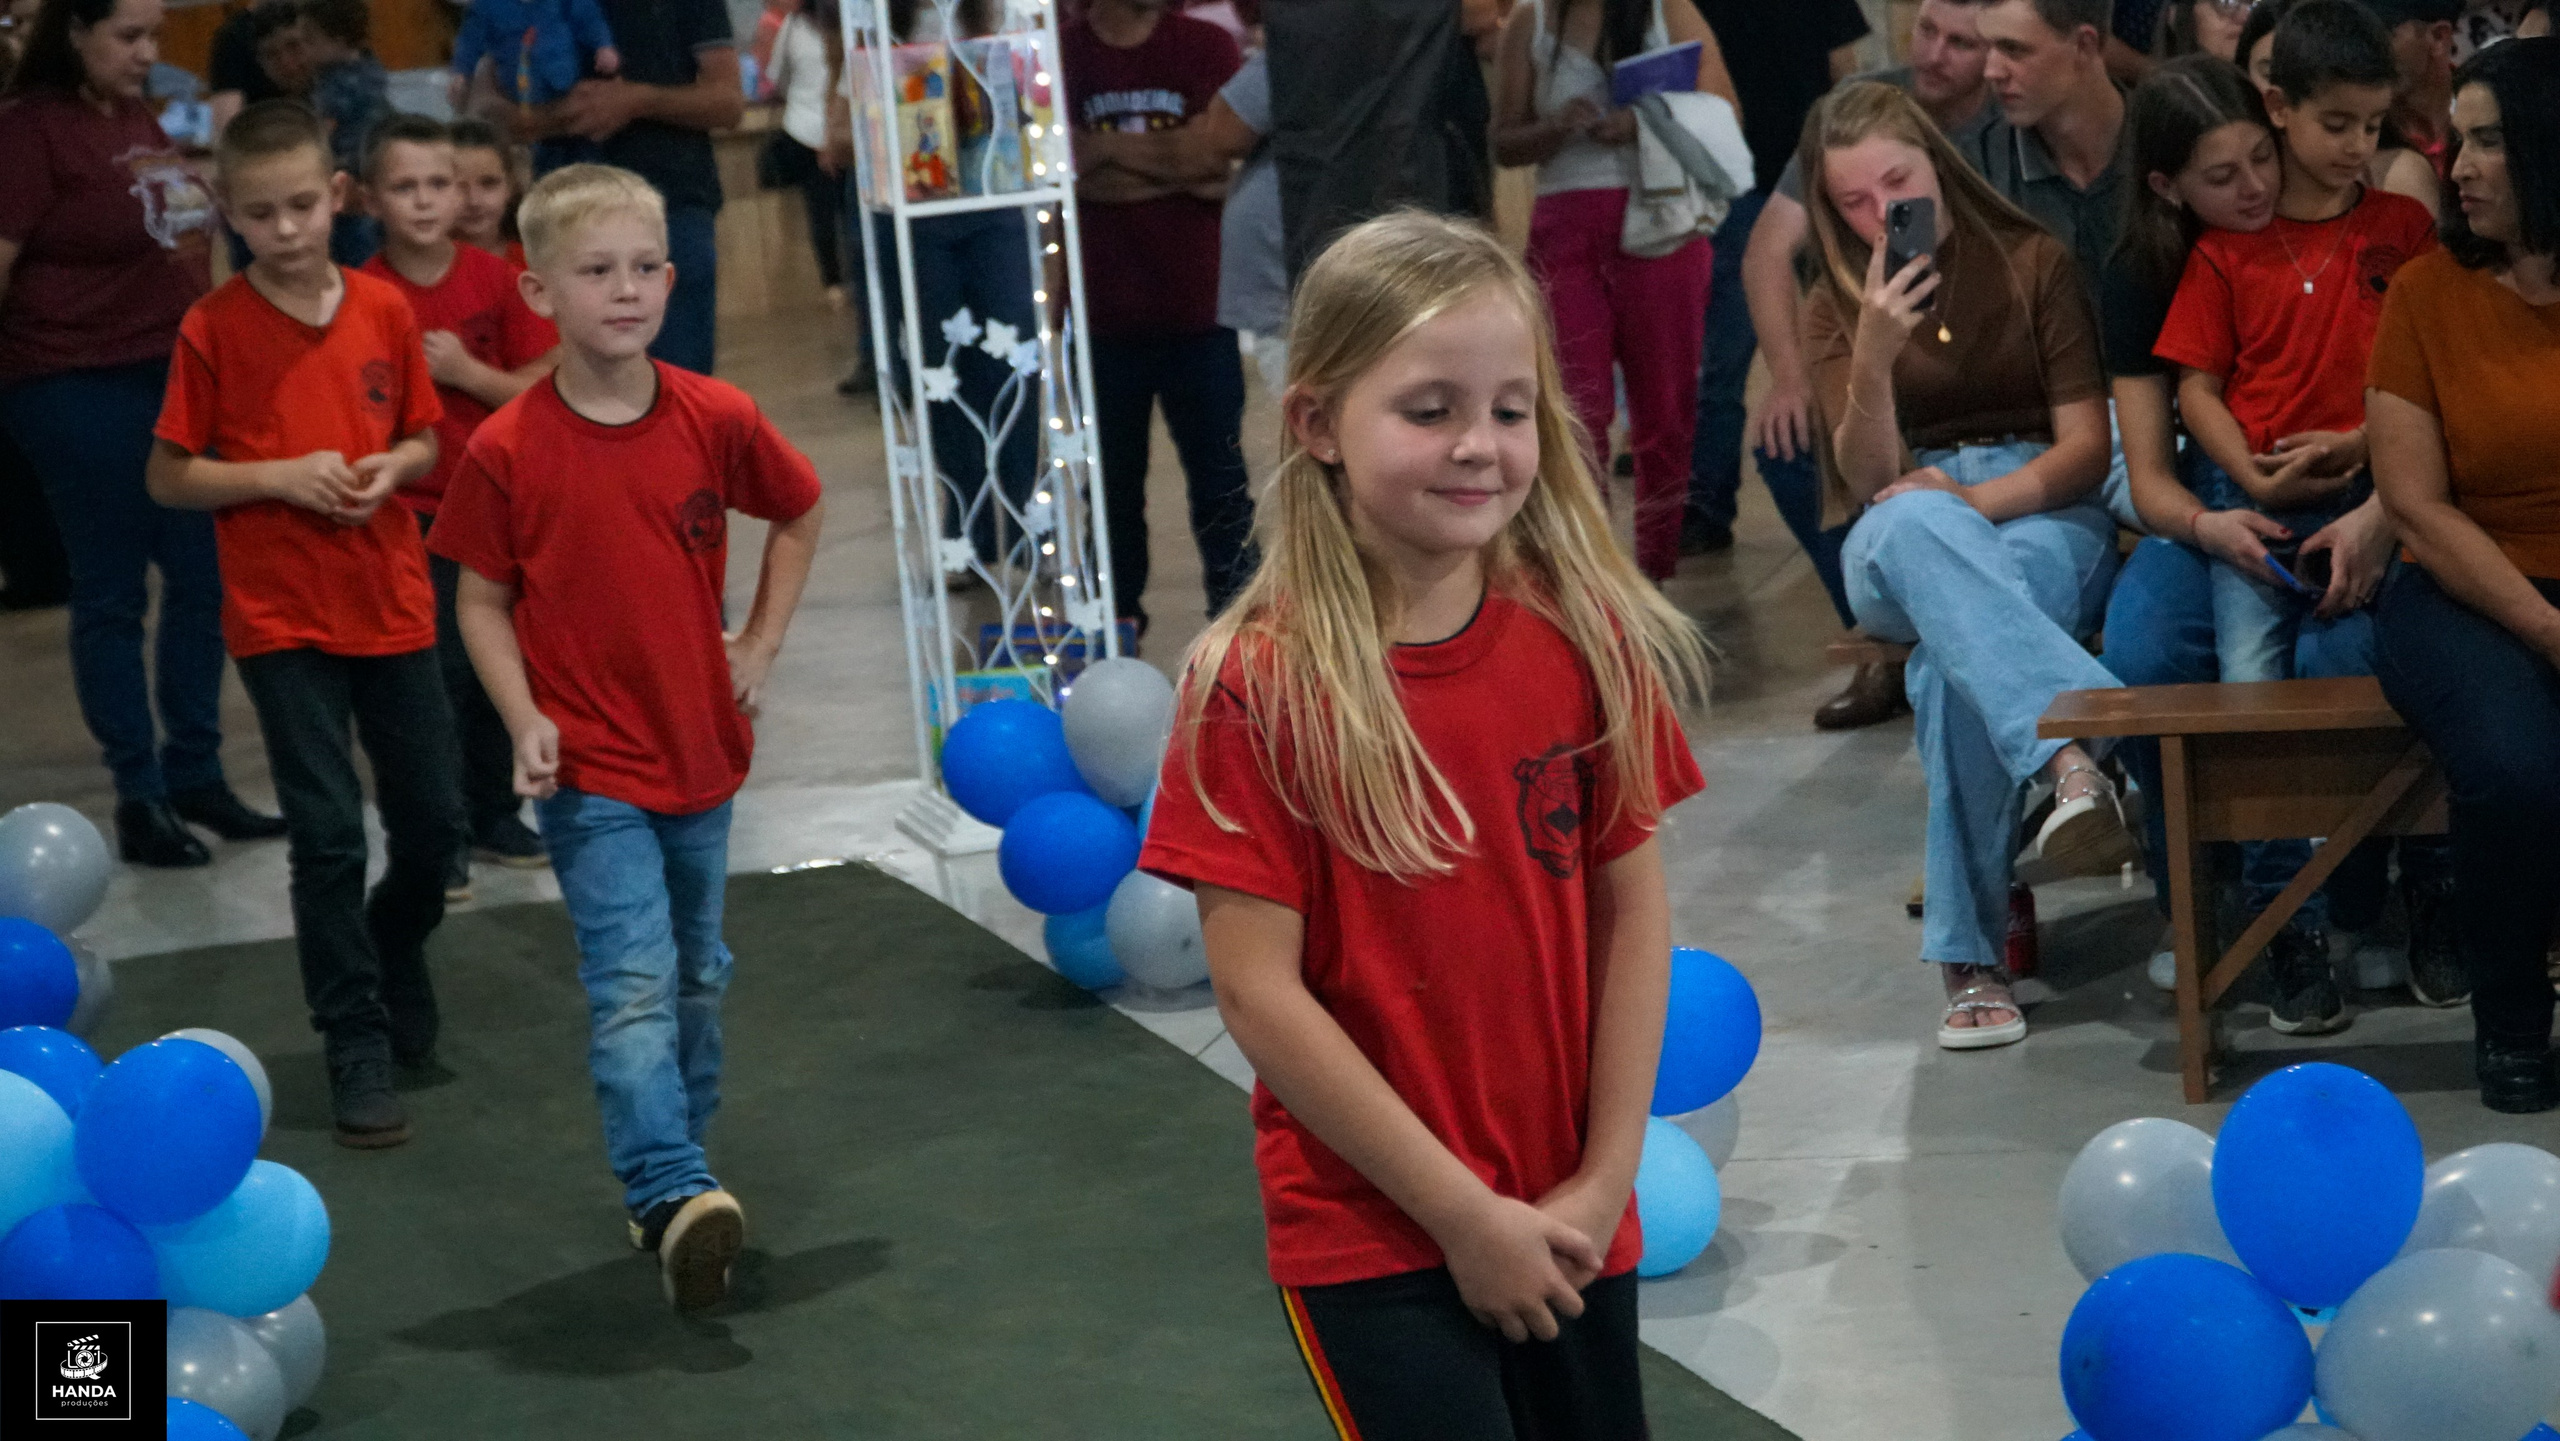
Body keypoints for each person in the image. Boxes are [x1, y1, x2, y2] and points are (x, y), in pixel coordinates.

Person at [1140, 210, 1709, 1440]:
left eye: (1510, 410)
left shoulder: (1588, 637)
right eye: (1428, 408)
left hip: (1571, 1211)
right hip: (1377, 1232)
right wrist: (1460, 1214)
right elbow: (1260, 998)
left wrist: (1606, 1179)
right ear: (1316, 424)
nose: (1478, 447)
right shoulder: (1254, 683)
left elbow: (1633, 909)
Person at [434, 164, 826, 1306]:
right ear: (538, 290)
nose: (626, 290)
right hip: (589, 769)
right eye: (595, 271)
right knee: (637, 983)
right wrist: (525, 718)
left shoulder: (717, 416)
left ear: (669, 277)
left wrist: (757, 641)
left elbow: (798, 510)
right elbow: (479, 599)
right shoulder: (507, 447)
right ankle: (665, 1184)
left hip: (703, 752)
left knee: (700, 974)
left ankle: (679, 1180)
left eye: (643, 268)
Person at [145, 100, 463, 1148]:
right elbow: (169, 474)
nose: (283, 230)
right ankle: (353, 1040)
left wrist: (394, 470)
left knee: (433, 829)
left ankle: (392, 938)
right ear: (226, 215)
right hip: (281, 617)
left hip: (393, 599)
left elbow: (422, 435)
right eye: (259, 214)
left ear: (336, 198)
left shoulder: (380, 310)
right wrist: (280, 476)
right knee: (327, 834)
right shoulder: (213, 327)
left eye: (299, 207)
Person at [1801, 81, 2127, 1049]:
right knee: (1911, 536)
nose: (1878, 215)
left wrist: (1971, 506)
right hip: (1899, 521)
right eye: (1853, 202)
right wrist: (1869, 359)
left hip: (2030, 499)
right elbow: (1871, 481)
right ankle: (2080, 745)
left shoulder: (2033, 261)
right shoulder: (1833, 302)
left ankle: (1967, 957)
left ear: (1936, 165)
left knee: (1953, 665)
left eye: (1894, 185)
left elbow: (2082, 449)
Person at [0, 0, 284, 867]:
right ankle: (140, 793)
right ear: (74, 32)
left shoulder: (133, 113)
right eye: (128, 36)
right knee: (114, 585)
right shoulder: (28, 131)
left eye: (154, 35)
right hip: (75, 383)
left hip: (171, 374)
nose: (148, 53)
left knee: (203, 576)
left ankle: (195, 769)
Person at [2369, 37, 2560, 1112]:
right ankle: (2512, 1018)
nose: (2460, 166)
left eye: (2489, 141)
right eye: (2457, 140)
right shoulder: (2426, 293)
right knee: (2518, 764)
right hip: (2462, 588)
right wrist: (2541, 626)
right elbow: (2415, 503)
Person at [1740, 0, 2000, 730]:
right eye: (1926, 31)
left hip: (1980, 340)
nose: (1935, 53)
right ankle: (1879, 637)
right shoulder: (1857, 113)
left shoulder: (2009, 116)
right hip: (1870, 330)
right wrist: (1790, 378)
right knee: (1787, 439)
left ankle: (1937, 635)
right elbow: (1766, 251)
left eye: (1960, 42)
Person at [356, 114, 561, 902]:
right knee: (432, 680)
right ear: (370, 199)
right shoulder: (366, 295)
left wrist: (471, 374)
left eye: (437, 184)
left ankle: (493, 813)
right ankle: (435, 836)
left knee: (500, 668)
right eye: (404, 187)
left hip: (501, 505)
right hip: (411, 514)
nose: (424, 201)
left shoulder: (495, 279)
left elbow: (548, 383)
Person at [1490, 0, 1739, 582]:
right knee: (1575, 409)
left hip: (1661, 223)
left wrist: (1642, 120)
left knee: (1665, 409)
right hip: (1564, 228)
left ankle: (1655, 570)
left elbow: (1724, 109)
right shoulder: (1530, 22)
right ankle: (1590, 576)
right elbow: (1503, 142)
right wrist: (1555, 129)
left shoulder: (1666, 10)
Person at [1064, 0, 1259, 631]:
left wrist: (1105, 153)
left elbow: (1212, 164)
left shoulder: (1207, 46)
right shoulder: (1060, 54)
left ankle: (1240, 629)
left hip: (1199, 309)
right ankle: (1113, 626)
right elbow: (1060, 167)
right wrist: (1169, 158)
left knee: (1222, 485)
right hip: (1099, 316)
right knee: (1111, 491)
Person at [1682, 0, 1870, 558]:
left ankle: (1708, 507)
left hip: (1807, 178)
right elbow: (1846, 73)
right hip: (1748, 183)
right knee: (1723, 359)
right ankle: (1707, 503)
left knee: (1728, 360)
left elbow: (1846, 76)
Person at [501, 0, 744, 375]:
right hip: (564, 212)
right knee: (578, 383)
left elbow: (727, 103)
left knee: (677, 379)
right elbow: (485, 104)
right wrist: (553, 116)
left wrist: (639, 100)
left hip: (670, 207)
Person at [1967, 0, 2129, 297]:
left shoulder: (2166, 146)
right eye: (1987, 47)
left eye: (2013, 50)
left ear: (2083, 45)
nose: (1991, 71)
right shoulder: (1976, 168)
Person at [2239, 0, 2439, 211]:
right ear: (2279, 106)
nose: (2358, 147)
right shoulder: (2239, 218)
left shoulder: (2405, 215)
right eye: (2336, 125)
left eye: (2372, 126)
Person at [762, 0, 843, 307]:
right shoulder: (848, 23)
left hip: (803, 128)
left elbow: (777, 77)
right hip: (844, 130)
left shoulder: (792, 27)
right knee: (849, 210)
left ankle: (832, 284)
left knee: (819, 210)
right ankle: (855, 280)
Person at [296, 0, 386, 265]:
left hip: (351, 172)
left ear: (338, 40)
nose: (304, 51)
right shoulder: (370, 69)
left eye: (310, 41)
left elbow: (322, 133)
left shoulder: (339, 86)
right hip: (364, 168)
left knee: (356, 247)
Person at [447, 0, 619, 114]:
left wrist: (603, 46)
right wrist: (461, 73)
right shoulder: (487, 6)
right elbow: (470, 40)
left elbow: (588, 19)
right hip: (519, 95)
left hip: (567, 85)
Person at [207, 0, 306, 133]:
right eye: (271, 55)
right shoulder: (235, 37)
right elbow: (226, 131)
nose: (287, 63)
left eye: (294, 47)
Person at [449, 117, 529, 266]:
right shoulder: (418, 266)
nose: (474, 201)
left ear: (511, 185)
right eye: (458, 187)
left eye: (489, 183)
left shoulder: (535, 261)